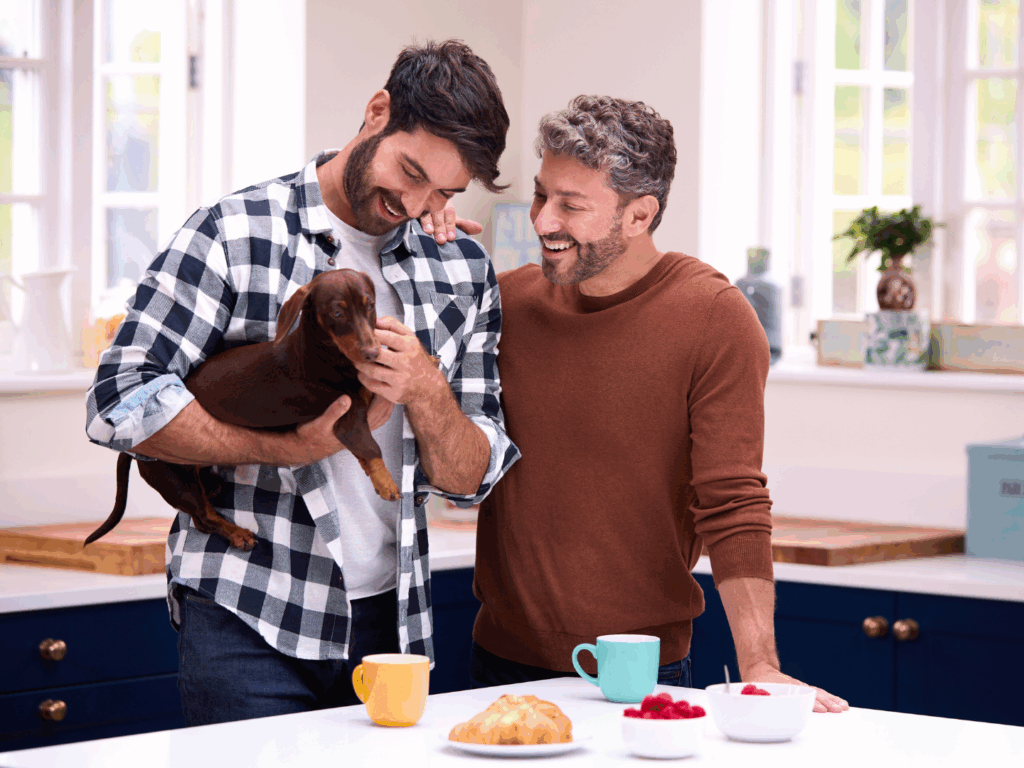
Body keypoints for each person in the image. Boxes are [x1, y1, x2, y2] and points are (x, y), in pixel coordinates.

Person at [85, 40, 520, 726]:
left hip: (393, 629)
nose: (413, 203)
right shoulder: (231, 233)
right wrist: (282, 449)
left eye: (441, 191)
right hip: (247, 618)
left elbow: (472, 479)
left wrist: (428, 391)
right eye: (409, 171)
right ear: (377, 111)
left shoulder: (460, 269)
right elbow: (118, 402)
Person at [468, 95, 849, 714]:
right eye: (542, 195)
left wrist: (760, 664)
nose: (542, 221)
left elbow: (733, 503)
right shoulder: (505, 304)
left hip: (640, 673)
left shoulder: (714, 320)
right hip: (496, 666)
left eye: (572, 205)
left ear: (639, 214)